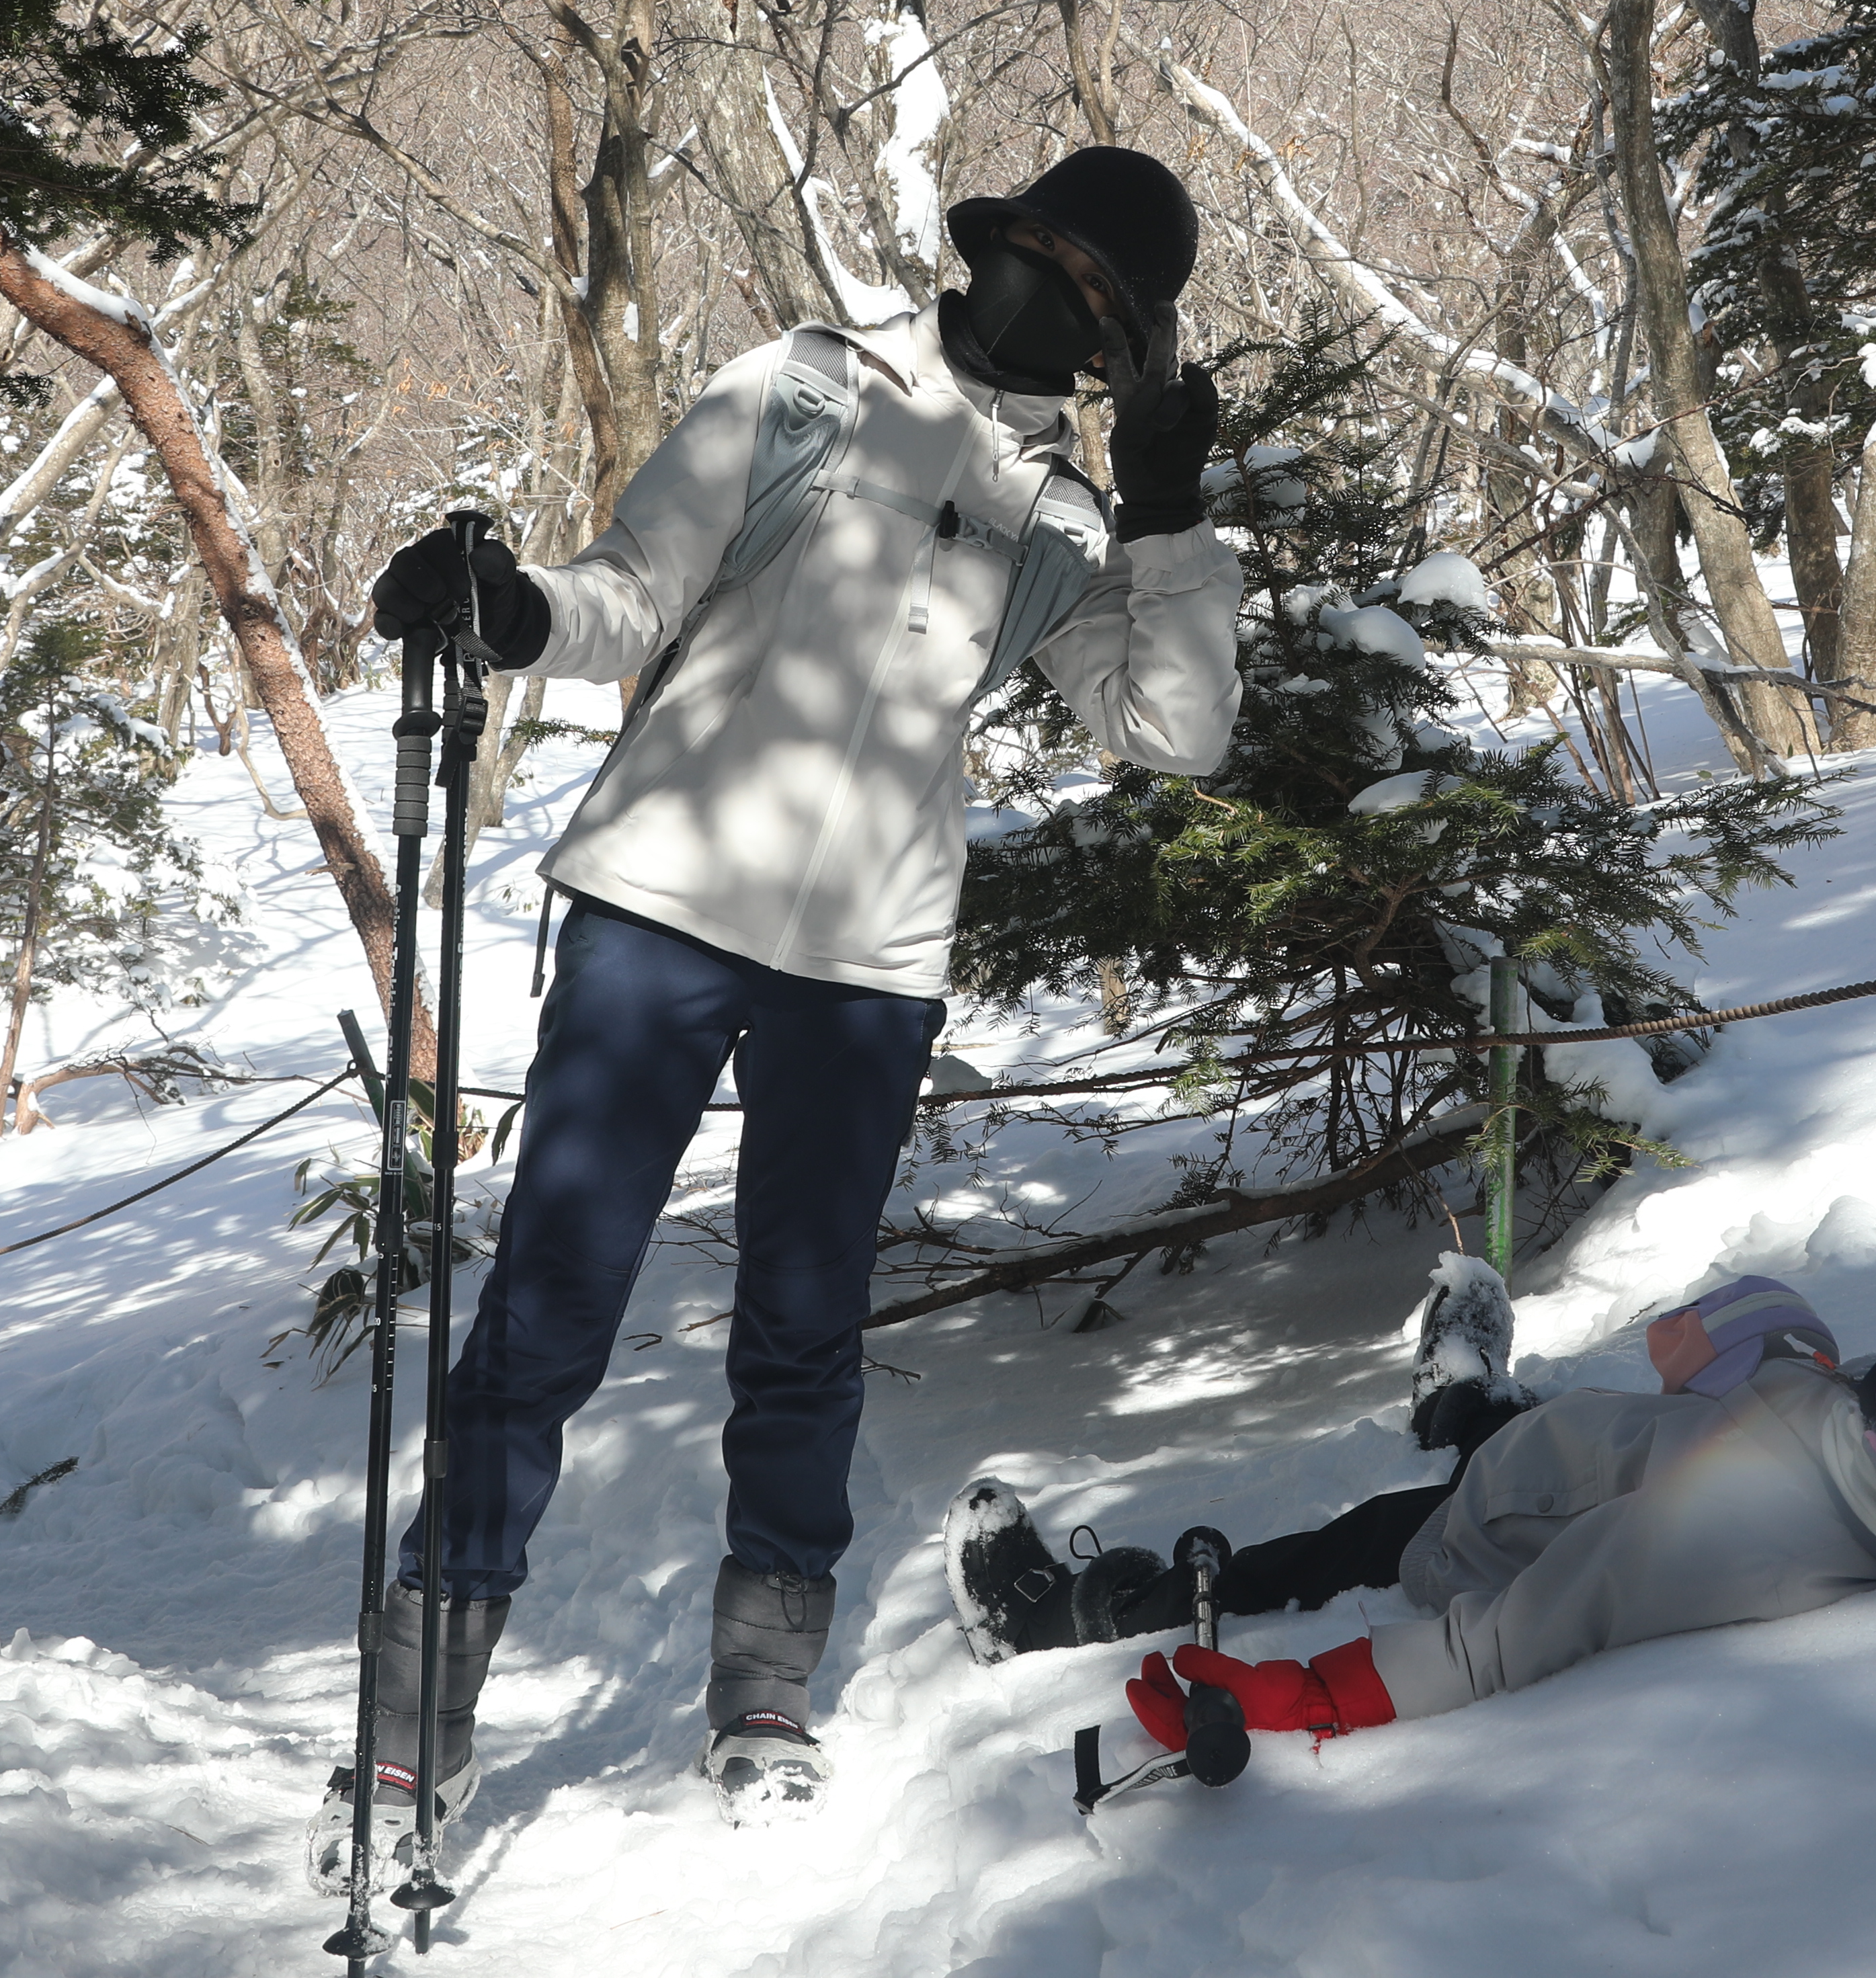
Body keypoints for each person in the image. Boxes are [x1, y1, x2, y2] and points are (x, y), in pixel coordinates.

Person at [341, 146, 1241, 1835]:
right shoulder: (811, 382)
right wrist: (512, 605)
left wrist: (1179, 525)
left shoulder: (1061, 513)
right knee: (547, 1307)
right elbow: (631, 589)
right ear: (995, 245)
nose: (1060, 297)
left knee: (804, 1336)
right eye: (1049, 256)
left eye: (1103, 299)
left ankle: (764, 1684)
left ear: (1122, 350)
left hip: (870, 958)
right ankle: (419, 1703)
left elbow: (1173, 730)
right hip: (661, 900)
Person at [946, 1258, 1876, 1747]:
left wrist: (1303, 1690)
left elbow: (1519, 1627)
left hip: (1475, 1534)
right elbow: (1811, 1397)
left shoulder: (1749, 1532)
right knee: (1523, 1430)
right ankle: (1464, 1391)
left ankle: (1064, 1604)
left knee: (1306, 1551)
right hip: (1591, 1450)